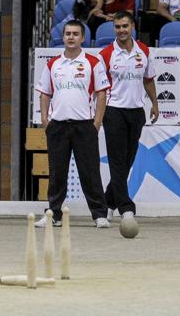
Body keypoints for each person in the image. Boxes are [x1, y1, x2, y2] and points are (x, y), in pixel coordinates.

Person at [35, 20, 111, 228]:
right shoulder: (53, 64)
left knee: (90, 172)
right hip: (57, 126)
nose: (70, 37)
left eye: (75, 34)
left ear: (83, 38)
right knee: (57, 173)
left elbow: (101, 94)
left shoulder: (92, 63)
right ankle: (54, 214)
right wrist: (44, 120)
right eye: (67, 33)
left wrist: (96, 122)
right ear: (64, 36)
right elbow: (45, 94)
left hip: (84, 126)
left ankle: (99, 215)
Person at [98, 11, 158, 227]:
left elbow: (148, 79)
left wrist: (155, 103)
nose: (121, 30)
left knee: (128, 161)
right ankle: (126, 207)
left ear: (132, 26)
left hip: (136, 112)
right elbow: (100, 89)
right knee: (117, 160)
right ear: (114, 28)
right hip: (114, 111)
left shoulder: (144, 50)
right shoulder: (105, 54)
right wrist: (98, 116)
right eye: (117, 27)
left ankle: (108, 201)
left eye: (125, 26)